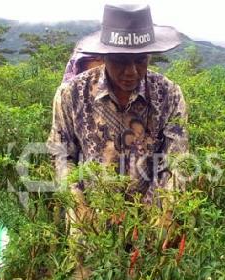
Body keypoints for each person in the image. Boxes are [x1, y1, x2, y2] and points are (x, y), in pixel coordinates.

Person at [48, 4, 189, 217]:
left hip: (151, 223)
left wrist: (167, 213)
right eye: (120, 61)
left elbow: (176, 160)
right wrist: (79, 206)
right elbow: (61, 154)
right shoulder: (72, 94)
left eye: (140, 60)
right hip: (90, 222)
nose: (131, 72)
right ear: (105, 56)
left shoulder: (169, 94)